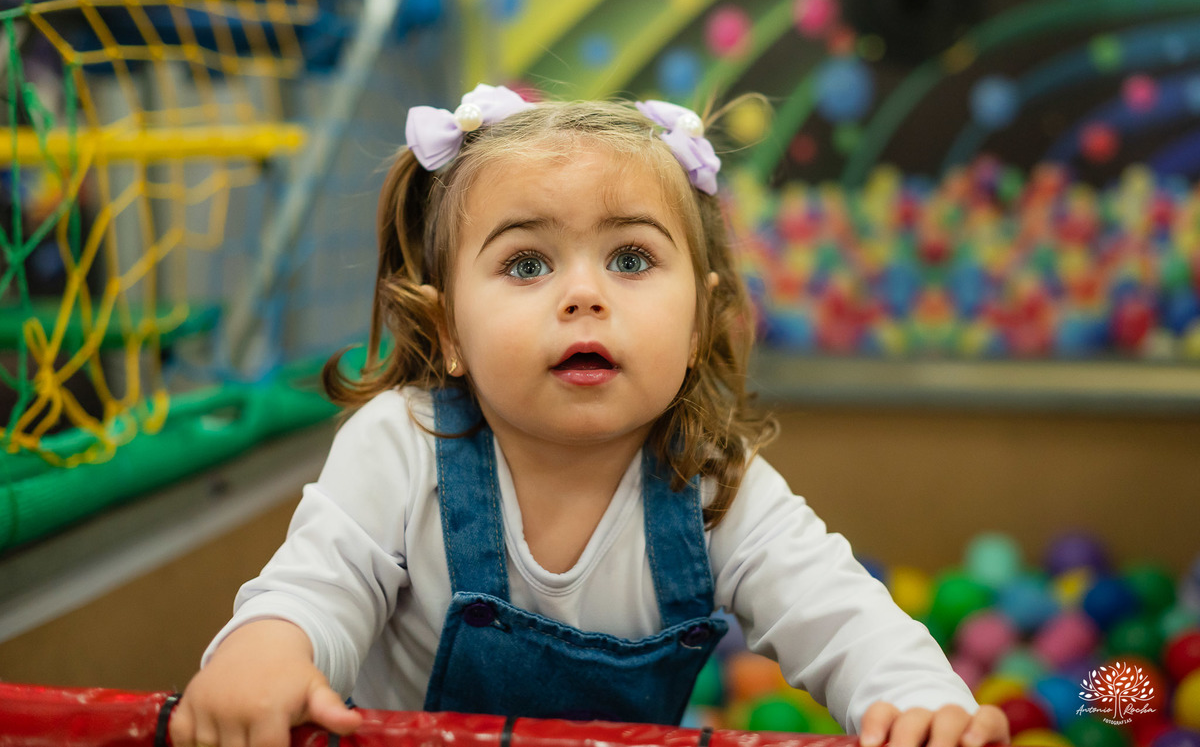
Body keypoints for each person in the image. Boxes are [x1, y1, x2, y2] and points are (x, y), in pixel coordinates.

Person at [169, 85, 1009, 747]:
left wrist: (917, 697)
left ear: (697, 320)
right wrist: (269, 649)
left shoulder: (709, 478)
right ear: (449, 328)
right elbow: (320, 580)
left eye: (631, 257)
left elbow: (839, 608)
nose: (584, 294)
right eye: (527, 262)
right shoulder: (402, 445)